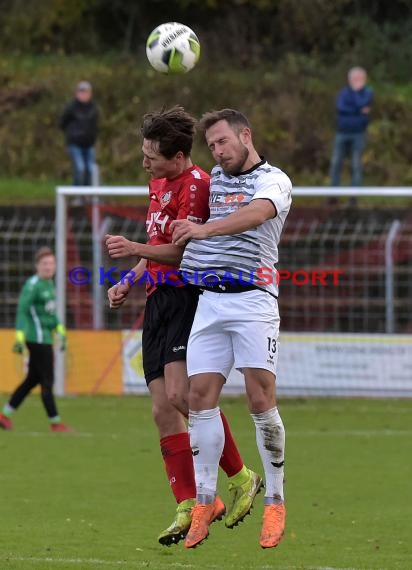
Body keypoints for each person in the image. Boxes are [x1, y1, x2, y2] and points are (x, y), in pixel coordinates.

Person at [105, 106, 262, 546]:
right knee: (161, 410)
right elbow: (155, 245)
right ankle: (191, 503)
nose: (145, 163)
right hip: (156, 300)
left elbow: (183, 252)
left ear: (177, 157)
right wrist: (130, 279)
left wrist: (135, 248)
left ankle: (241, 476)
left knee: (180, 395)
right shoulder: (158, 183)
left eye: (151, 156)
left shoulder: (199, 186)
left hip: (185, 296)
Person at [171, 108, 292, 549]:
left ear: (246, 135)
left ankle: (276, 501)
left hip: (253, 302)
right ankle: (205, 500)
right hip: (210, 303)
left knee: (261, 399)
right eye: (212, 145)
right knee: (197, 398)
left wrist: (206, 230)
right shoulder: (214, 179)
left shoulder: (274, 180)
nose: (218, 152)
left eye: (223, 142)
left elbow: (258, 214)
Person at [0, 247, 70, 432]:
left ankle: (4, 414)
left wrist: (61, 331)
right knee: (47, 380)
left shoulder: (49, 284)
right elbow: (22, 312)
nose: (48, 267)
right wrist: (19, 337)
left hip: (46, 338)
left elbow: (51, 315)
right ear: (37, 266)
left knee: (32, 380)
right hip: (36, 339)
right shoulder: (33, 285)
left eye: (51, 263)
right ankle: (55, 422)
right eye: (45, 264)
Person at [330, 66, 373, 188]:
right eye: (355, 78)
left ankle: (354, 197)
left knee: (356, 165)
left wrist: (355, 94)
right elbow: (341, 108)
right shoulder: (343, 93)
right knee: (336, 163)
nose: (357, 81)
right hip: (342, 132)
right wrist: (359, 110)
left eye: (360, 78)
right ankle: (333, 195)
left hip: (358, 133)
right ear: (350, 79)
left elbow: (363, 104)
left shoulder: (368, 92)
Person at [59, 81, 99, 187]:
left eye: (85, 92)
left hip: (89, 144)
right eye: (81, 92)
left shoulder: (93, 108)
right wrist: (72, 135)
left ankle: (88, 196)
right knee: (80, 168)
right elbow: (62, 123)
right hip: (75, 144)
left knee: (90, 170)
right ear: (76, 93)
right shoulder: (71, 108)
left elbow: (95, 126)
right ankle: (77, 195)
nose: (83, 94)